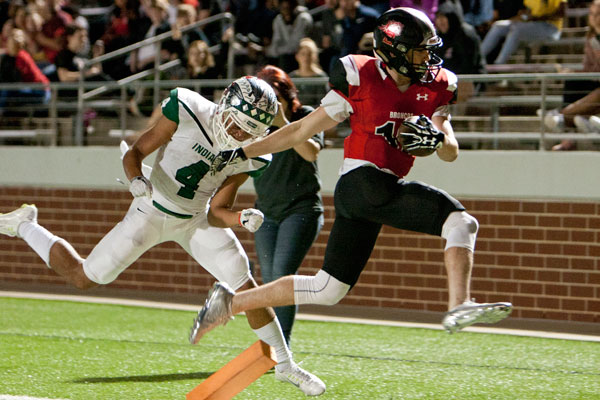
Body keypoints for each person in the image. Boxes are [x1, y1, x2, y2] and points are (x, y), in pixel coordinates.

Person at [189, 8, 513, 342]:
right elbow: (300, 130)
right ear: (396, 52)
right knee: (461, 223)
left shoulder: (437, 86)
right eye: (420, 50)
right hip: (362, 181)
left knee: (327, 289)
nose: (430, 58)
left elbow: (451, 152)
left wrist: (438, 139)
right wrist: (243, 151)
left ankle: (228, 302)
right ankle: (459, 303)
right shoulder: (360, 76)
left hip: (371, 191)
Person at [0, 76, 325, 397]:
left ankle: (284, 363)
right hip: (152, 210)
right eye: (237, 125)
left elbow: (217, 210)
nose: (239, 134)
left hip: (197, 220)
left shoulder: (254, 154)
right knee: (84, 277)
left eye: (249, 131)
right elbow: (135, 152)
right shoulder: (188, 108)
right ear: (225, 104)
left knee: (246, 285)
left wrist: (239, 218)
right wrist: (135, 180)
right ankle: (25, 224)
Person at [253, 65, 325, 346]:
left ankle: (280, 349)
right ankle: (273, 345)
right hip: (266, 212)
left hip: (301, 210)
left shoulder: (304, 115)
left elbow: (310, 152)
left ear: (285, 95)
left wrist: (283, 122)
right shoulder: (257, 126)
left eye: (272, 97)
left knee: (282, 276)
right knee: (270, 281)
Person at [545, 0, 600, 150]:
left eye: (599, 14)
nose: (595, 18)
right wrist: (573, 73)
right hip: (596, 79)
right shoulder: (591, 38)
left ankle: (561, 116)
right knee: (573, 81)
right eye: (592, 14)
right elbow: (589, 68)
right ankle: (569, 137)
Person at [480, 0, 566, 65]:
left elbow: (561, 13)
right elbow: (525, 14)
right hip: (532, 25)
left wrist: (538, 18)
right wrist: (519, 18)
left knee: (517, 29)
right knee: (498, 26)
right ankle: (477, 58)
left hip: (551, 28)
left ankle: (499, 64)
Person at [0, 28, 50, 114]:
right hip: (24, 89)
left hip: (40, 92)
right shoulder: (7, 57)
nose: (14, 43)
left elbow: (17, 81)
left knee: (6, 91)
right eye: (11, 40)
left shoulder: (22, 57)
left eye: (17, 40)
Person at [290, 38, 329, 107]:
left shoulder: (321, 77)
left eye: (309, 54)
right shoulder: (291, 77)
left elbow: (322, 104)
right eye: (303, 54)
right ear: (297, 56)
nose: (306, 57)